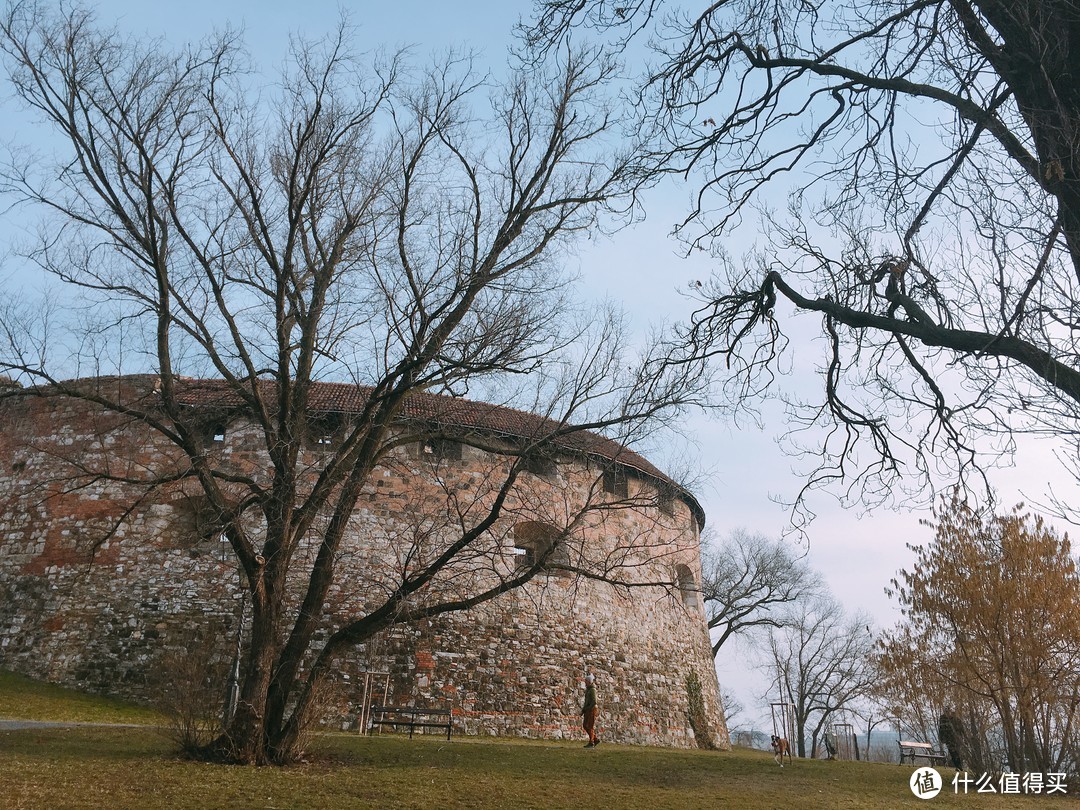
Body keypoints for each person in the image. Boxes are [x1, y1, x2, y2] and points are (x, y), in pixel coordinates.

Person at [581, 672, 600, 747]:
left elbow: (594, 701)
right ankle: (595, 739)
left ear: (589, 681)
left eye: (586, 681)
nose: (585, 683)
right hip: (588, 709)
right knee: (585, 725)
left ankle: (591, 741)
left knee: (589, 725)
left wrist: (588, 708)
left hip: (592, 709)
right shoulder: (589, 689)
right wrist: (583, 710)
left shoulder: (592, 690)